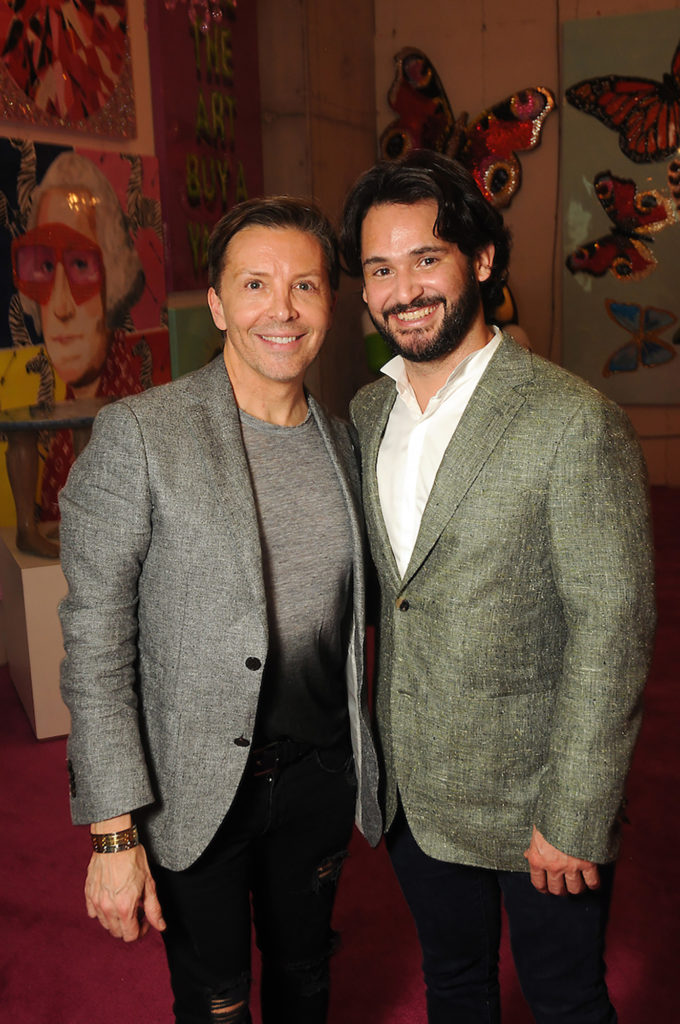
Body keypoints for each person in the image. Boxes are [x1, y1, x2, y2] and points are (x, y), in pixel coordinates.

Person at [340, 151, 656, 1023]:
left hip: (537, 808)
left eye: (426, 259)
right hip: (416, 795)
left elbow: (612, 627)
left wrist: (578, 812)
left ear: (480, 260)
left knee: (564, 999)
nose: (403, 289)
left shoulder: (572, 420)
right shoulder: (368, 412)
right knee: (455, 987)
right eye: (379, 268)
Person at [58, 196, 381, 1024]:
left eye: (304, 286)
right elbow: (96, 646)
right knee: (217, 1001)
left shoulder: (345, 442)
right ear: (216, 303)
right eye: (255, 284)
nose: (281, 308)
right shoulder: (141, 434)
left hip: (315, 779)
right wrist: (111, 835)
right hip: (191, 786)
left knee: (307, 975)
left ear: (329, 306)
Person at [8, 152, 146, 553]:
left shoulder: (137, 406)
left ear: (114, 275)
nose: (62, 307)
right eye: (44, 268)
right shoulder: (56, 411)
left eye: (81, 264)